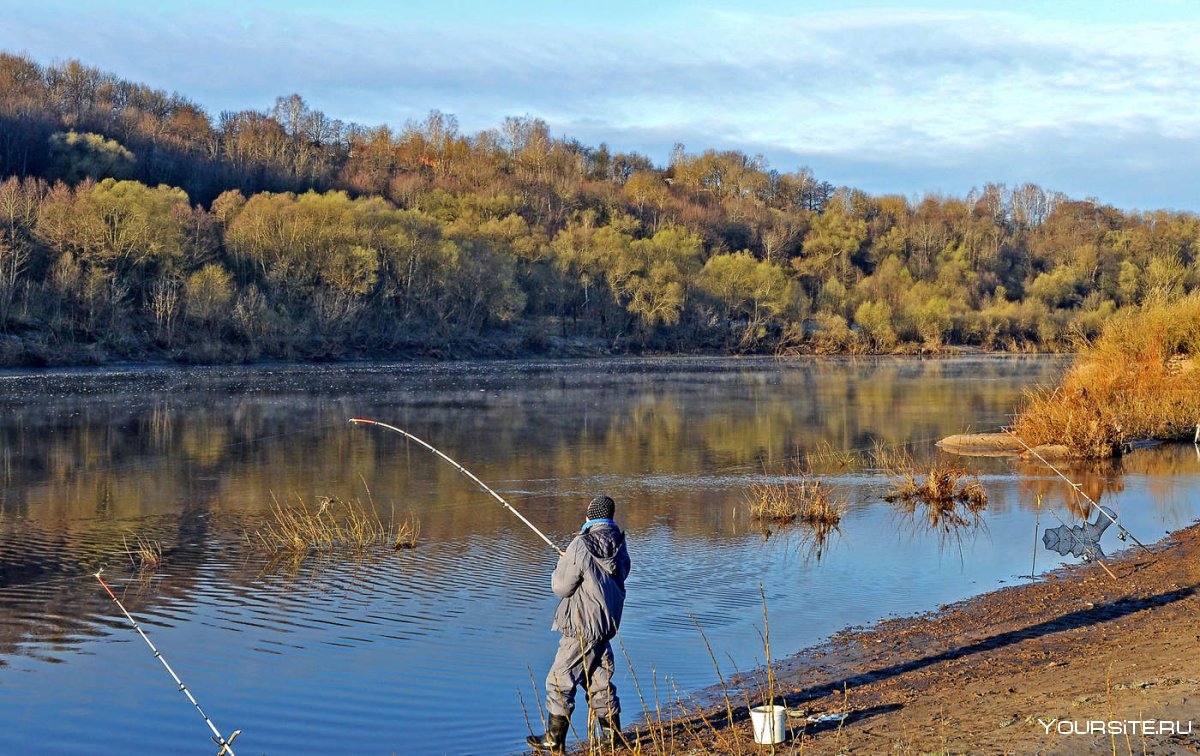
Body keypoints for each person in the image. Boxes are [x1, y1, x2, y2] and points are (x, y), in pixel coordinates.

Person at [527, 495, 632, 752]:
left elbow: (561, 587)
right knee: (599, 680)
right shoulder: (619, 543)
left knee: (559, 679)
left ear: (590, 516)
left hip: (582, 626)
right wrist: (575, 561)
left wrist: (563, 563)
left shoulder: (581, 544)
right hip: (605, 624)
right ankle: (611, 738)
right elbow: (621, 572)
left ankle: (554, 738)